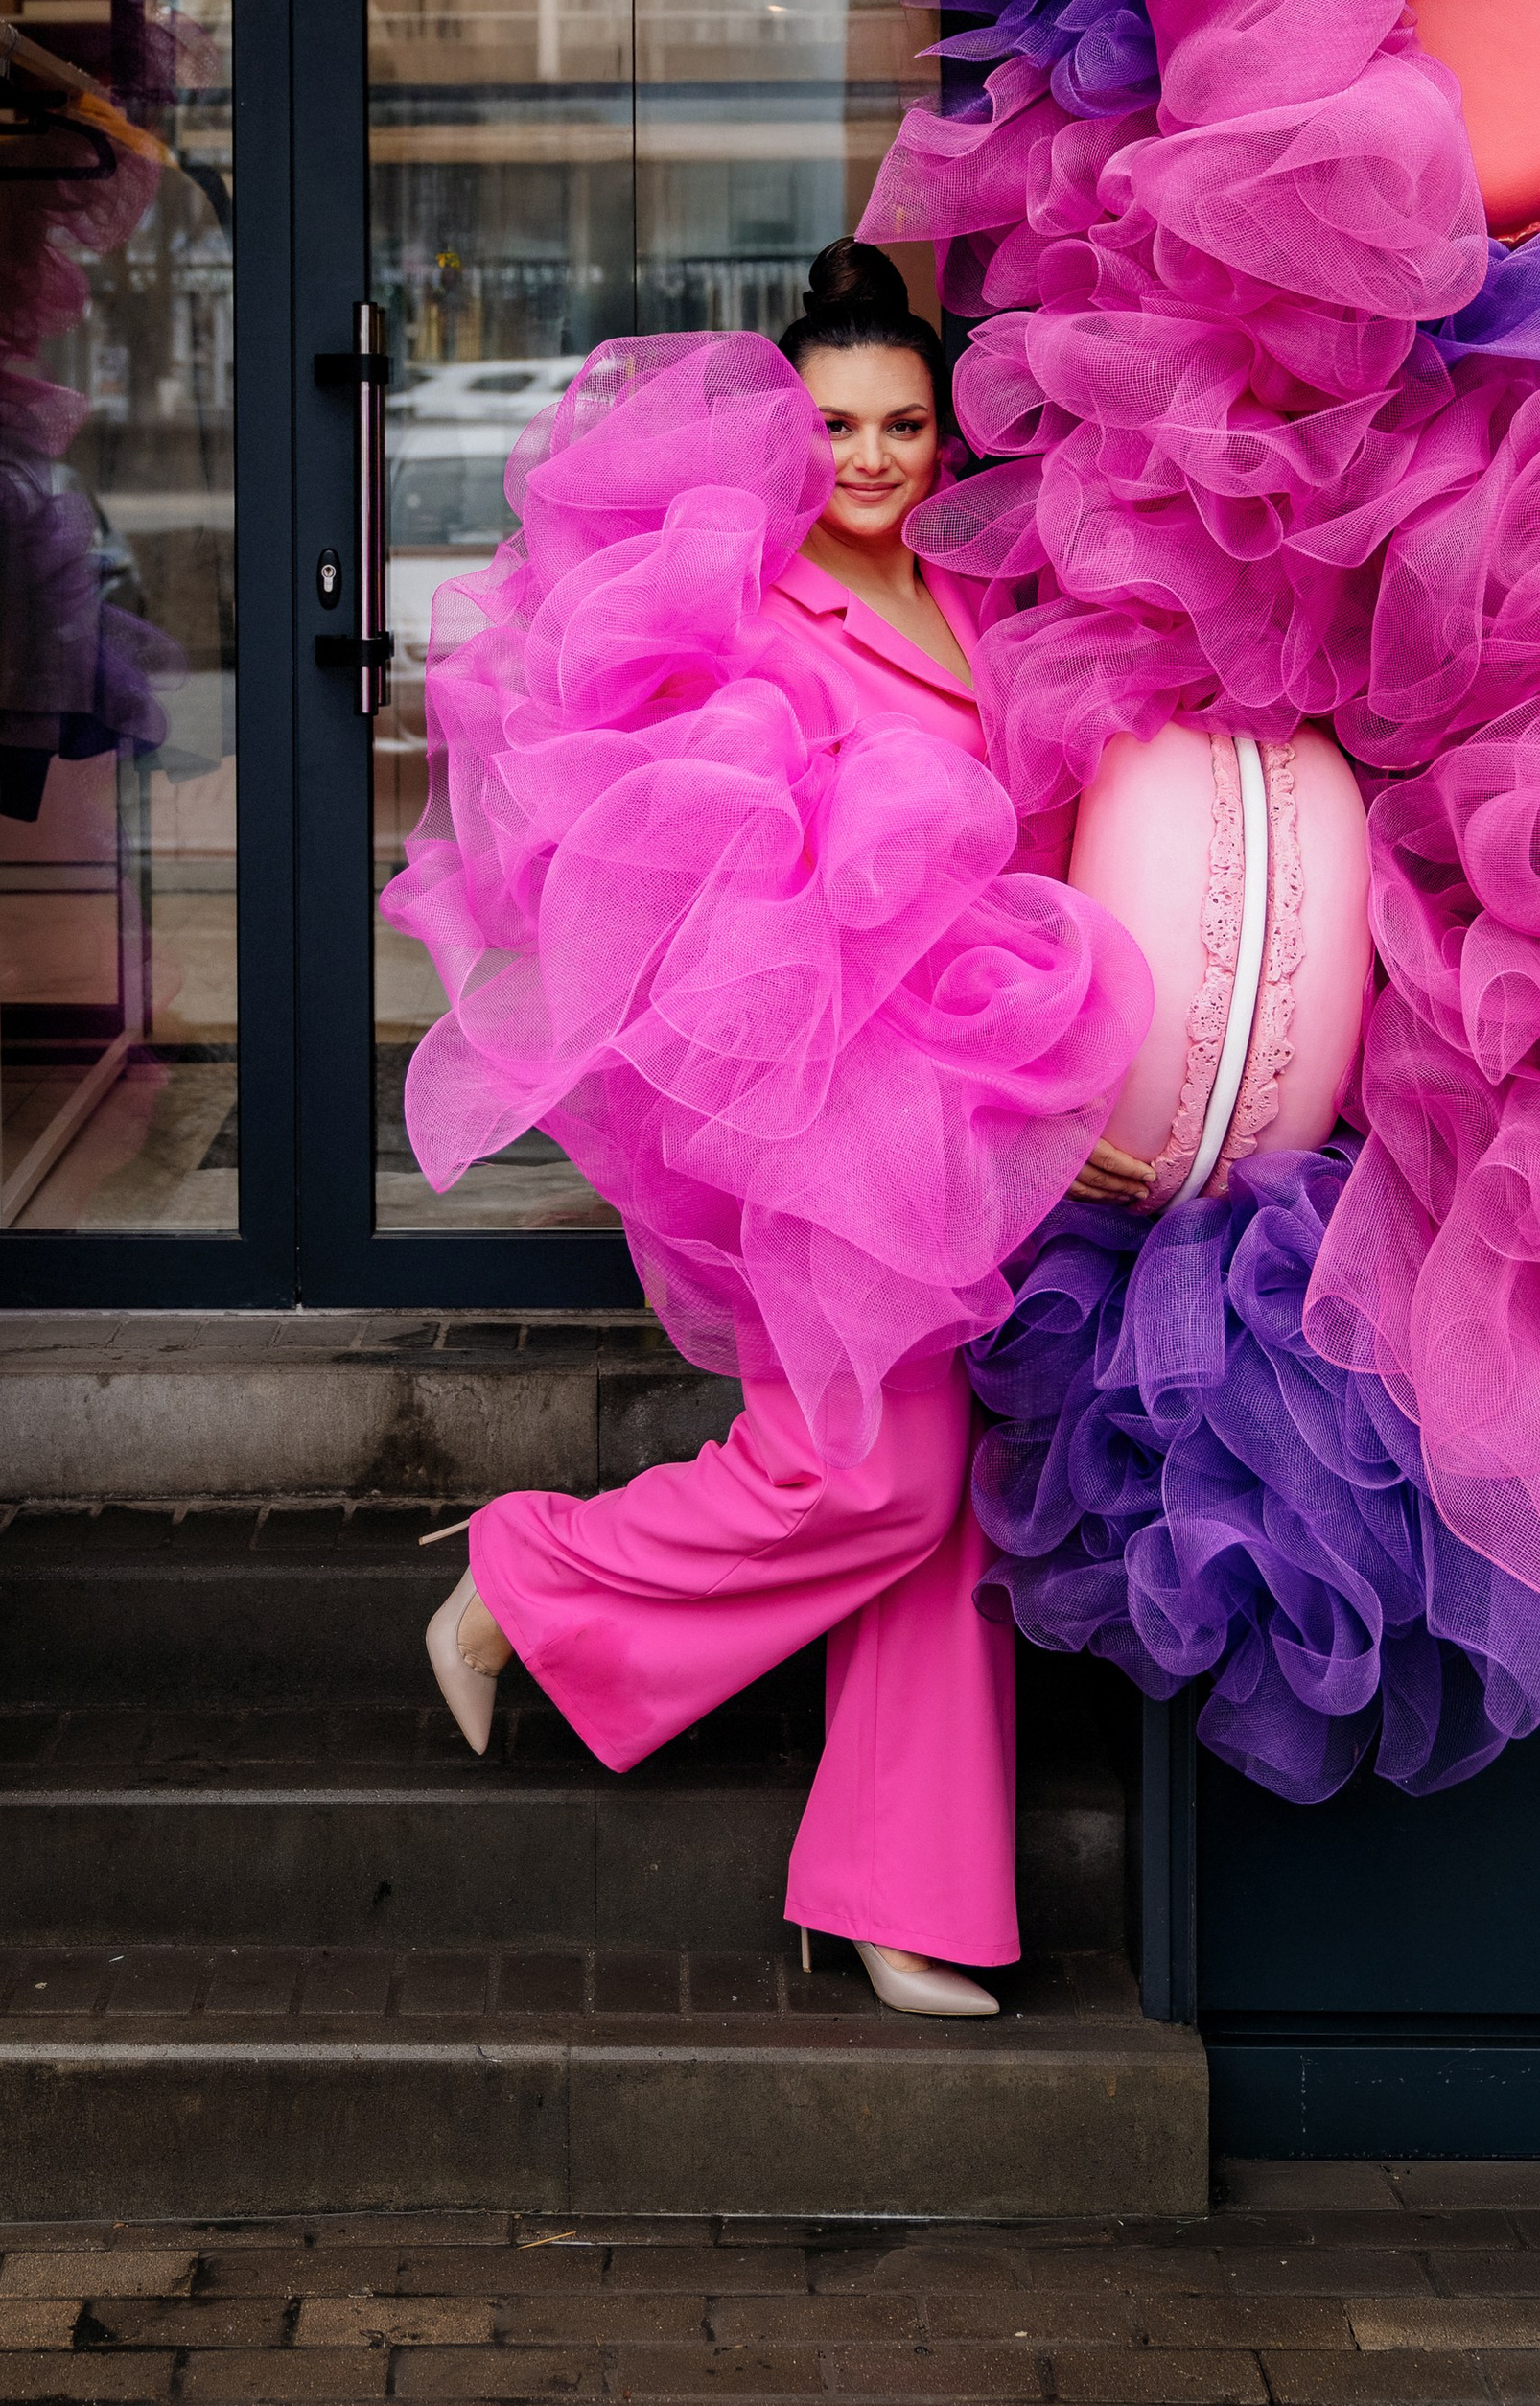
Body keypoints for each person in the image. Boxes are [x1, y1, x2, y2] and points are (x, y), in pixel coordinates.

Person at [390, 242, 1153, 2018]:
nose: (874, 459)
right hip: (829, 1106)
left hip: (974, 1096)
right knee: (868, 1472)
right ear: (784, 441)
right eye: (838, 426)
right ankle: (530, 1578)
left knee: (941, 1504)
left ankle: (902, 1898)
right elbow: (756, 883)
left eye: (903, 425)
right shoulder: (740, 614)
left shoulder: (970, 611)